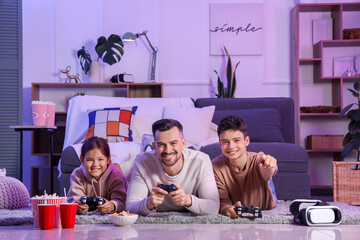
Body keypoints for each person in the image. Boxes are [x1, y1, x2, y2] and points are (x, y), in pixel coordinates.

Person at [126, 118, 219, 216]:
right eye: (161, 144)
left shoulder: (201, 161)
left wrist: (188, 200)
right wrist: (148, 203)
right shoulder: (142, 161)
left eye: (173, 143)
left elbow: (213, 207)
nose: (168, 150)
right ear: (154, 146)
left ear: (183, 144)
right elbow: (130, 207)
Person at [212, 115, 278, 218]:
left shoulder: (258, 159)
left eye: (236, 140)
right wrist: (228, 209)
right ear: (220, 143)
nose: (231, 146)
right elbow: (223, 200)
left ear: (246, 141)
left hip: (260, 180)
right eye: (225, 142)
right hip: (241, 184)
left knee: (267, 178)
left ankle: (269, 185)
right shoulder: (215, 166)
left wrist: (270, 166)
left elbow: (271, 169)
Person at [67, 136, 128, 214]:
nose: (95, 164)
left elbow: (121, 201)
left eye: (100, 159)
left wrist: (112, 206)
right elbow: (73, 199)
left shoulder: (117, 176)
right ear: (82, 160)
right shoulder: (77, 175)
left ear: (108, 159)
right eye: (89, 160)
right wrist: (78, 206)